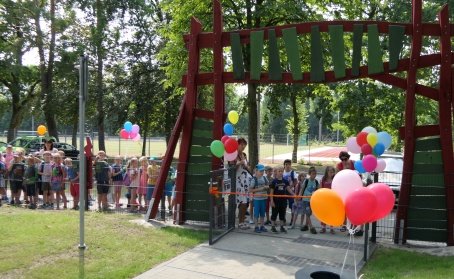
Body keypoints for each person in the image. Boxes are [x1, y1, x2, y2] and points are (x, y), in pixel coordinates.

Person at [233, 137, 252, 230]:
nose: (243, 146)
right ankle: (239, 222)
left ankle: (242, 221)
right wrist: (239, 163)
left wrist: (246, 166)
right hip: (238, 181)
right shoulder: (233, 155)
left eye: (245, 145)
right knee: (241, 201)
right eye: (242, 144)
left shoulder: (244, 155)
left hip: (245, 181)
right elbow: (233, 169)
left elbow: (248, 168)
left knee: (245, 202)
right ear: (237, 144)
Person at [270, 166, 295, 233]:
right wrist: (272, 201)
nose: (280, 173)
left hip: (283, 201)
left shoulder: (285, 181)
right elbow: (271, 192)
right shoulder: (274, 182)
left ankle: (281, 227)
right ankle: (272, 227)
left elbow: (288, 189)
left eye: (281, 171)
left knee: (282, 214)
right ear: (276, 172)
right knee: (274, 214)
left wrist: (293, 194)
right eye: (279, 171)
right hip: (276, 201)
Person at [249, 164, 269, 233]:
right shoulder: (254, 179)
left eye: (263, 171)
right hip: (257, 199)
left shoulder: (264, 178)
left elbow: (268, 185)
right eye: (261, 171)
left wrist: (266, 187)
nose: (262, 172)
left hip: (264, 198)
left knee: (262, 213)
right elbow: (250, 190)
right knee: (256, 213)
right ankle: (256, 226)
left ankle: (262, 226)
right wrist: (261, 189)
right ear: (256, 171)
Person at [299, 166, 319, 234]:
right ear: (309, 174)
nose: (314, 175)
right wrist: (299, 196)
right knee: (307, 213)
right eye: (313, 174)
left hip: (312, 200)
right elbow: (302, 188)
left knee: (309, 213)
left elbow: (319, 189)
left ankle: (306, 225)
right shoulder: (307, 180)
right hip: (305, 200)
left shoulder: (316, 182)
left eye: (315, 174)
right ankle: (311, 227)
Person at [320, 166, 336, 234]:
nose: (331, 173)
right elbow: (320, 188)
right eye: (330, 171)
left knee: (331, 213)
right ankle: (323, 227)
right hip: (325, 198)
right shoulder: (323, 179)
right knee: (324, 213)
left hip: (332, 199)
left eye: (332, 172)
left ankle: (332, 228)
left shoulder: (335, 179)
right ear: (327, 172)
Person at [283, 159, 297, 226]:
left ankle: (292, 220)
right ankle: (283, 219)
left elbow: (295, 181)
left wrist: (290, 187)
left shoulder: (293, 173)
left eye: (289, 164)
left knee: (292, 207)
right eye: (286, 164)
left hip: (291, 191)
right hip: (283, 192)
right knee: (284, 206)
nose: (288, 166)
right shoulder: (282, 172)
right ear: (284, 165)